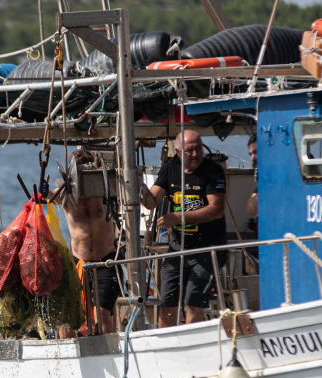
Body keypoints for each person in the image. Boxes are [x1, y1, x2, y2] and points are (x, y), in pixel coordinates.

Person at [141, 130, 227, 327]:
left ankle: (193, 348)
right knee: (167, 302)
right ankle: (166, 347)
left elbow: (217, 210)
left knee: (193, 302)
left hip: (208, 248)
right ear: (178, 152)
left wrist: (178, 218)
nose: (196, 154)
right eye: (190, 150)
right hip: (178, 247)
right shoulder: (169, 169)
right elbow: (152, 201)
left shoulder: (213, 171)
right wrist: (140, 189)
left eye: (199, 148)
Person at [53, 149, 120, 334]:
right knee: (68, 316)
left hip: (106, 259)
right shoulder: (65, 194)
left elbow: (124, 187)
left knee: (102, 313)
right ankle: (68, 354)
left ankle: (108, 353)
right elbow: (47, 197)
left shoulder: (105, 189)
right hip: (78, 261)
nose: (83, 179)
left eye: (86, 173)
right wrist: (42, 192)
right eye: (78, 173)